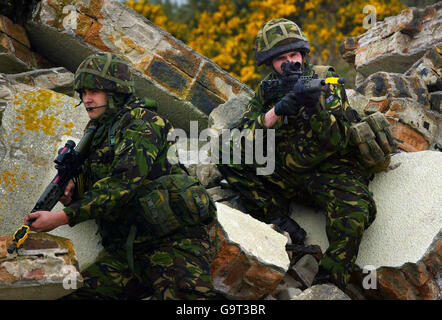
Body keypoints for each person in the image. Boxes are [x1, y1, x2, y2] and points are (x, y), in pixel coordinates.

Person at [25, 52, 221, 300]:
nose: (87, 99)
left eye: (94, 91)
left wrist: (62, 217)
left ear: (115, 91)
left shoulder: (145, 124)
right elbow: (101, 186)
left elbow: (122, 183)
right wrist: (72, 191)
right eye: (83, 92)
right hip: (127, 252)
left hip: (173, 243)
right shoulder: (98, 130)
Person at [216, 18, 394, 290]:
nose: (291, 63)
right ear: (269, 63)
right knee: (227, 155)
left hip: (328, 171)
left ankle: (328, 282)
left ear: (303, 54)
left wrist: (313, 108)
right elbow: (244, 138)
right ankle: (280, 221)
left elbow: (339, 139)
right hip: (287, 170)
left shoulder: (325, 79)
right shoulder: (268, 89)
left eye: (294, 55)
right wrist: (278, 110)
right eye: (282, 58)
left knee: (357, 211)